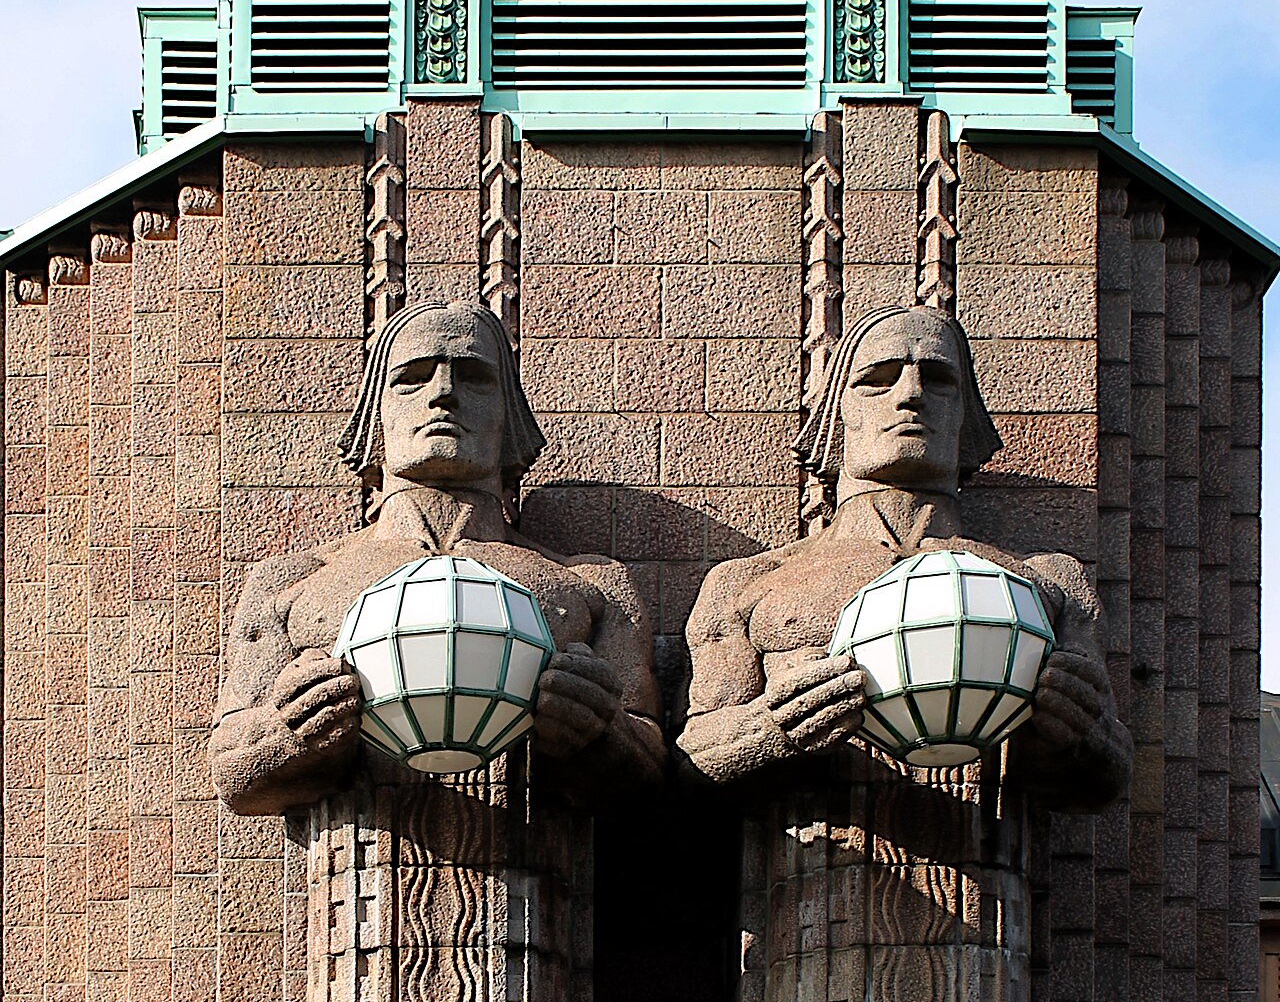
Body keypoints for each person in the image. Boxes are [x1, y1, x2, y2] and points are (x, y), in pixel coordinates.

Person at [210, 300, 663, 814]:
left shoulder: (591, 584)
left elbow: (649, 772)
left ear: (509, 413)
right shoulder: (294, 581)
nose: (443, 393)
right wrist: (289, 735)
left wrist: (598, 733)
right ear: (375, 414)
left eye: (474, 378)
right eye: (412, 377)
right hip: (347, 879)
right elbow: (232, 769)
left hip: (546, 877)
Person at [677, 304, 1130, 808]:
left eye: (938, 380)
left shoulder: (1049, 582)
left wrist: (1076, 733)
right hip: (807, 866)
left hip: (992, 871)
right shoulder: (748, 582)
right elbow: (693, 758)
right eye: (878, 379)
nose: (910, 394)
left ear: (966, 414)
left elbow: (1109, 771)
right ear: (838, 411)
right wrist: (775, 729)